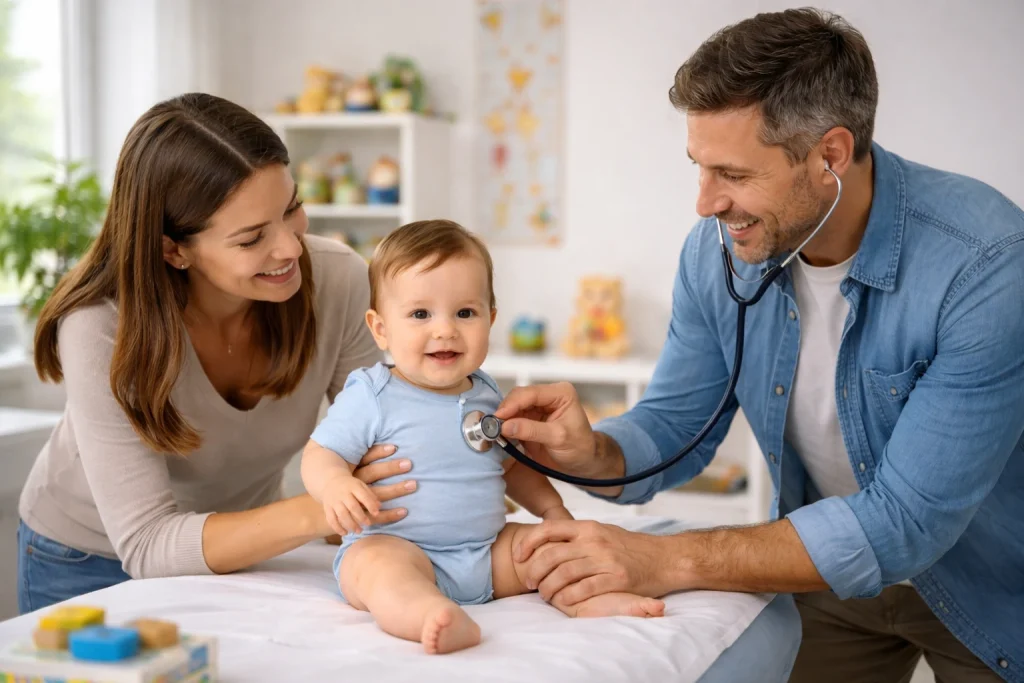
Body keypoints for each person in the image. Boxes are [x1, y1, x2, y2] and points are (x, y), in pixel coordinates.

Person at [493, 8, 1024, 682]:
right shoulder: (718, 254)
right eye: (699, 167)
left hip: (991, 586)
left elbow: (902, 522)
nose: (705, 203)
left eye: (734, 175)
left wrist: (664, 557)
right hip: (826, 575)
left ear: (829, 155)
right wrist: (592, 450)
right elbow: (677, 424)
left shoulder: (987, 266)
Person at [16, 93, 417, 613]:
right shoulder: (99, 327)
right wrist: (323, 510)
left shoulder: (336, 280)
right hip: (84, 560)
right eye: (252, 239)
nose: (292, 248)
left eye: (291, 208)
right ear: (173, 250)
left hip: (245, 547)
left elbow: (389, 441)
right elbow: (146, 544)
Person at [301, 219, 665, 655]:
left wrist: (552, 509)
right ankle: (428, 614)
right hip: (402, 546)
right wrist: (337, 484)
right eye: (420, 314)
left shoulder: (487, 394)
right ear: (380, 329)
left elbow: (509, 466)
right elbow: (320, 454)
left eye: (465, 313)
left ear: (490, 319)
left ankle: (588, 600)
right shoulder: (373, 394)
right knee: (377, 569)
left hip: (488, 552)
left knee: (546, 551)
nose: (445, 330)